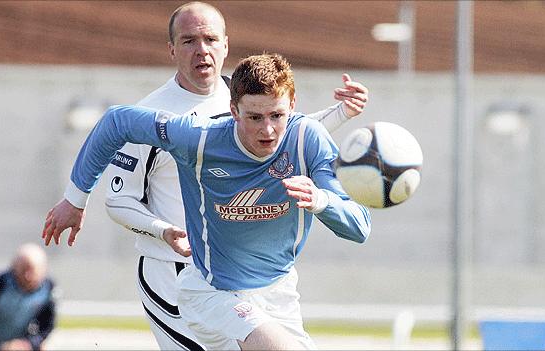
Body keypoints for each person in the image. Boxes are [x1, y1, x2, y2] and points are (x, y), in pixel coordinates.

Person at [43, 2, 368, 350]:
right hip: (183, 273)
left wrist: (338, 122)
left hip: (274, 287)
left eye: (210, 39)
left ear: (226, 45)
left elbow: (287, 140)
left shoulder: (263, 108)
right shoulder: (180, 128)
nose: (202, 50)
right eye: (188, 41)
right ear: (171, 49)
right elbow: (118, 186)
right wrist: (80, 201)